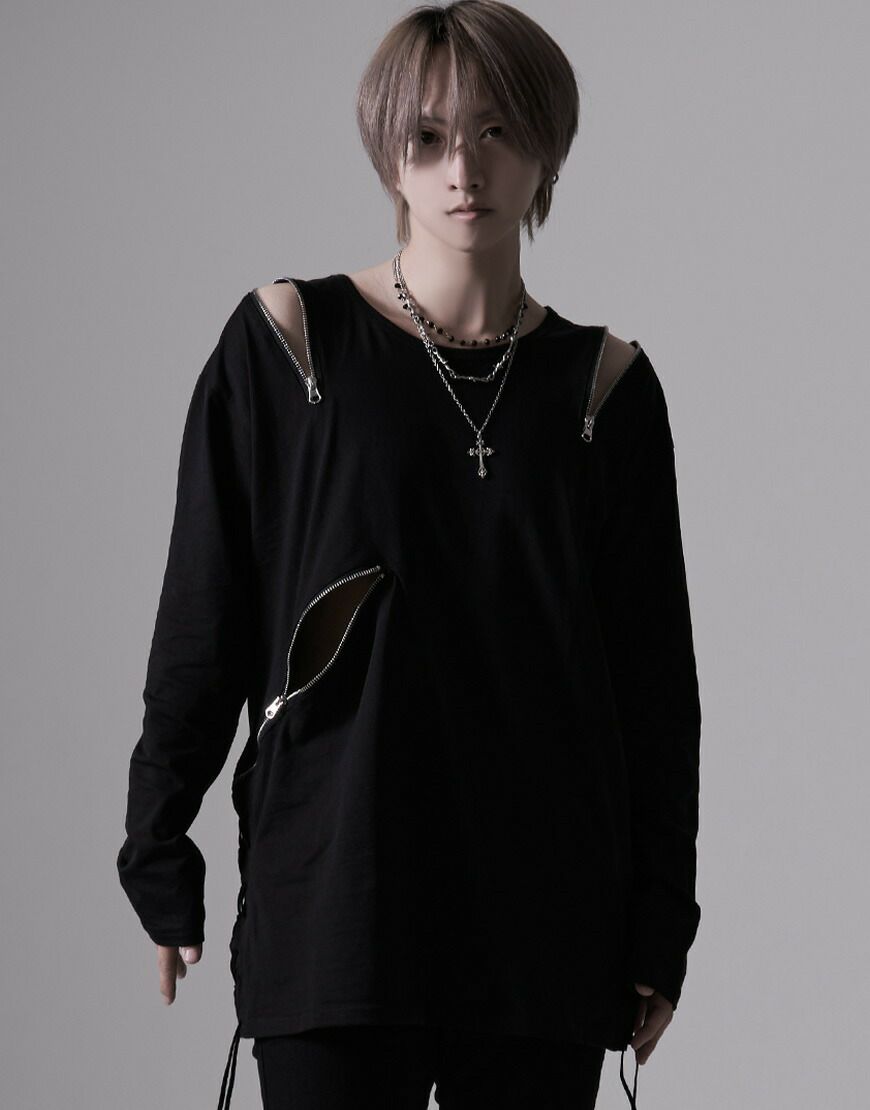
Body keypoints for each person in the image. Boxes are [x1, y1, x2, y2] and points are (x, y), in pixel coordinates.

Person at [116, 3, 703, 1108]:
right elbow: (204, 617)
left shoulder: (606, 389)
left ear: (547, 145)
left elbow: (654, 690)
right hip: (338, 899)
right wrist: (159, 843)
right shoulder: (291, 346)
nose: (462, 169)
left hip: (544, 917)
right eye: (428, 137)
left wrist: (658, 923)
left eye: (497, 131)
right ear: (389, 152)